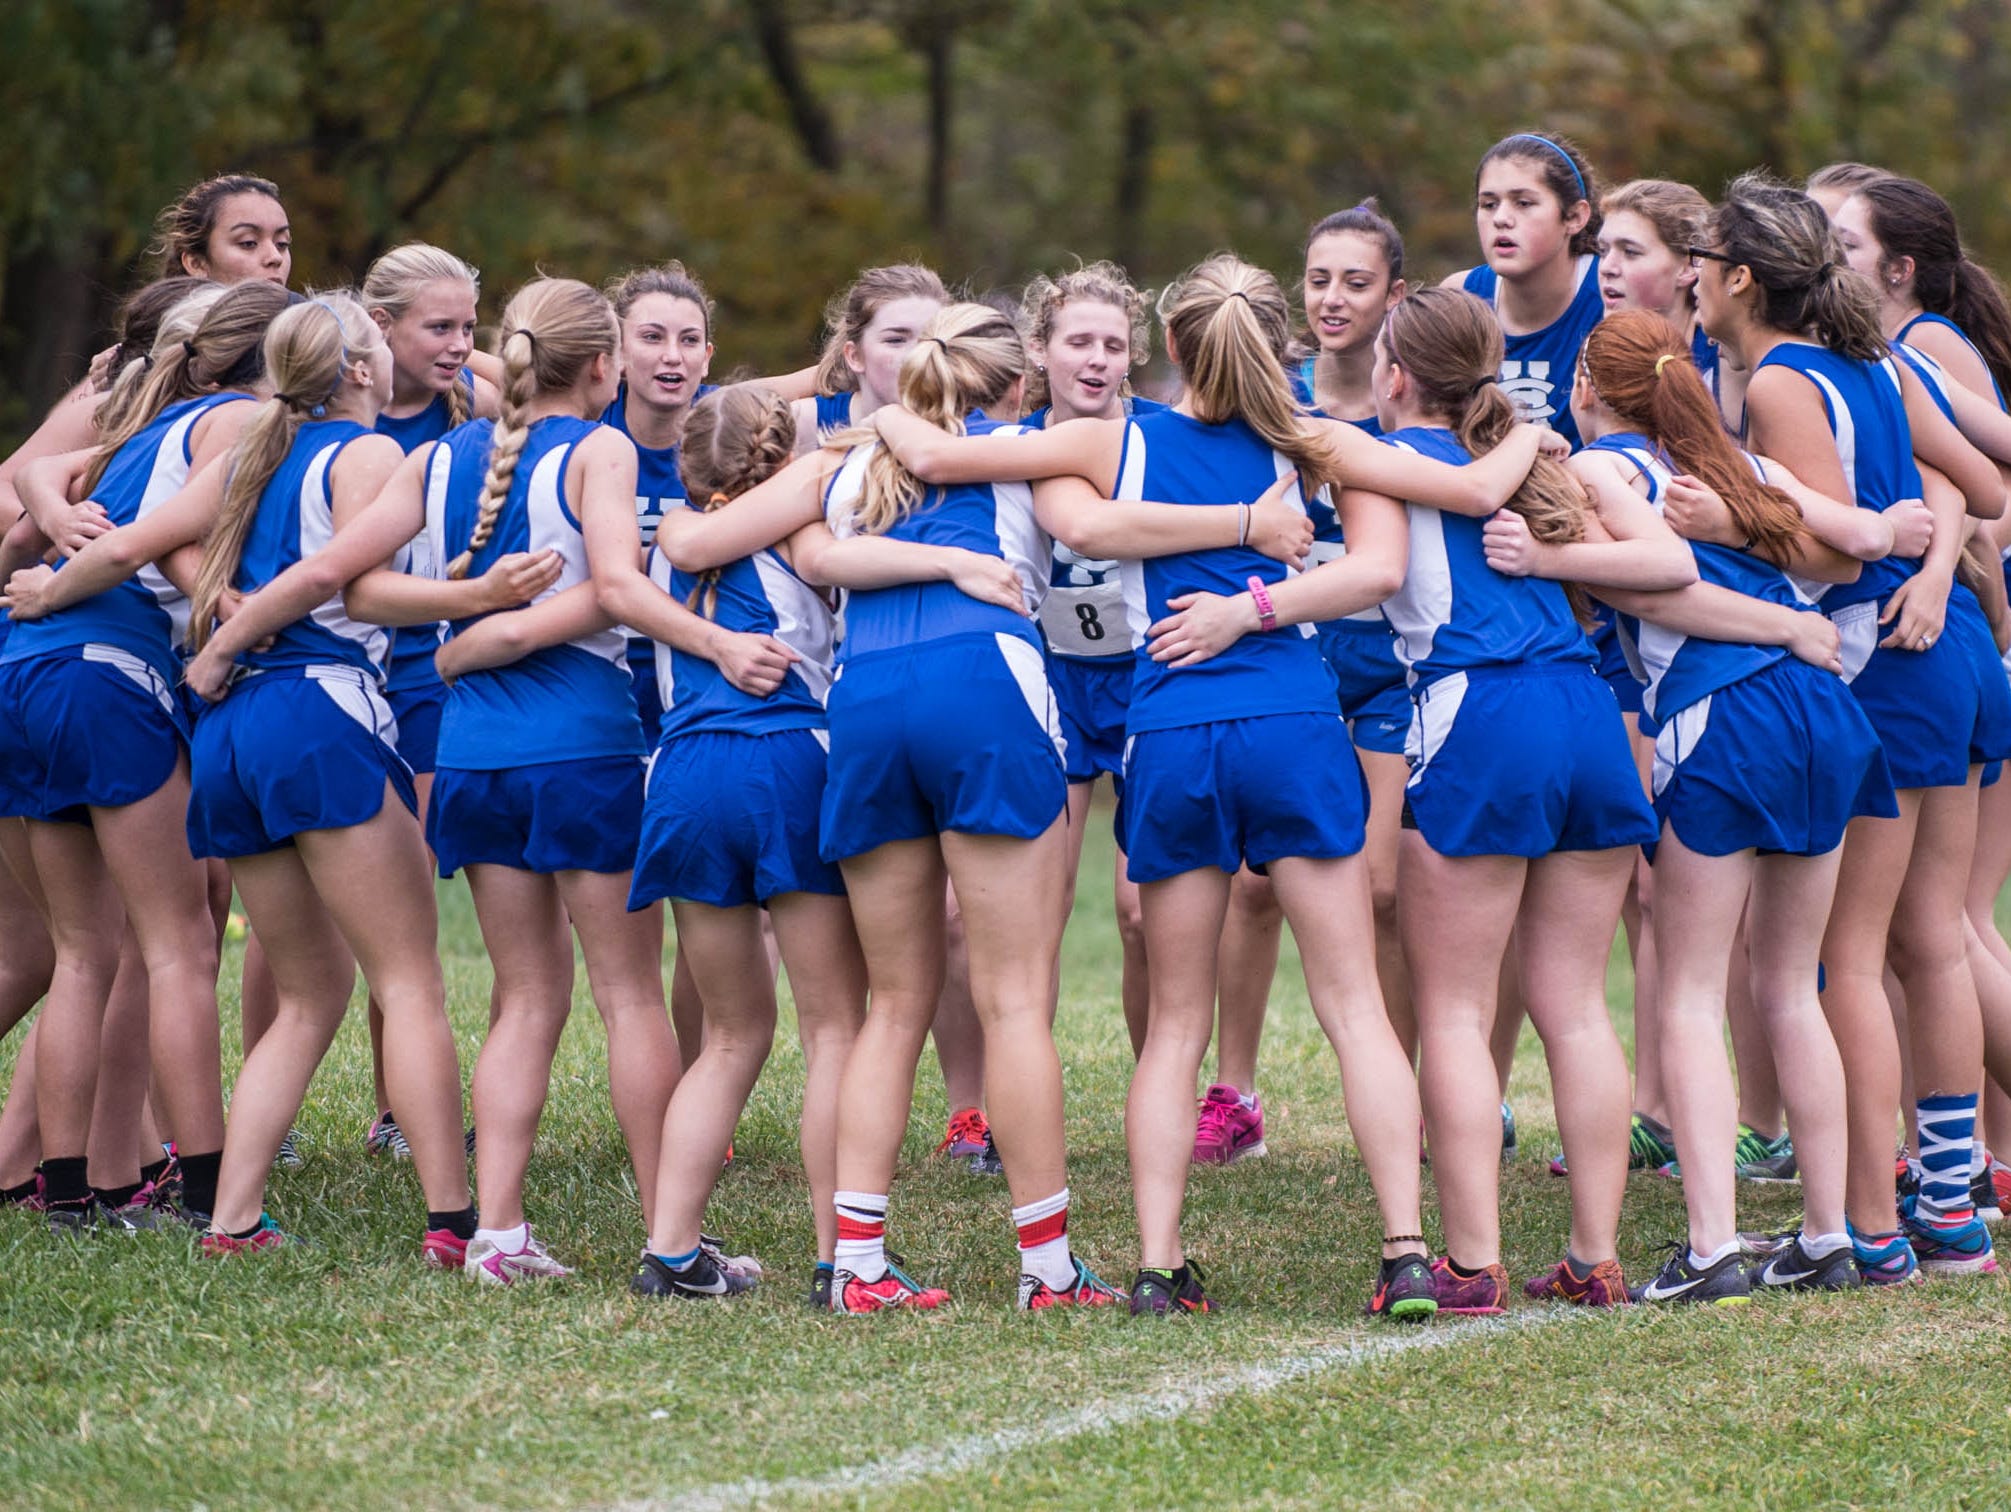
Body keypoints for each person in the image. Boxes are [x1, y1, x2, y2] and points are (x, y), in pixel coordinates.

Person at [1356, 286, 1689, 1313]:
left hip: (1478, 713)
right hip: (1583, 713)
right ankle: (1593, 1256)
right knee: (1577, 1007)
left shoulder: (1390, 458)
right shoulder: (1532, 452)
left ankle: (1470, 1261)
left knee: (1454, 1011)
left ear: (1399, 375)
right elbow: (1665, 559)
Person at [1701, 172, 2008, 1281]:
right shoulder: (1882, 359)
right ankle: (1949, 1208)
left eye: (1699, 260)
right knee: (1928, 939)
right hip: (1959, 657)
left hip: (1882, 664)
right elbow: (1979, 479)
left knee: (1849, 954)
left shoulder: (1784, 377)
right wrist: (1916, 535)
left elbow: (1833, 552)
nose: (1688, 278)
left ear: (1739, 277)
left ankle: (1877, 1226)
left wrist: (1725, 514)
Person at [0, 279, 292, 1229]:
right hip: (104, 673)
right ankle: (211, 1193)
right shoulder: (249, 423)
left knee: (85, 952)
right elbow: (148, 551)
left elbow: (39, 476)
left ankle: (70, 1195)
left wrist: (58, 521)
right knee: (178, 946)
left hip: (22, 674)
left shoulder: (151, 425)